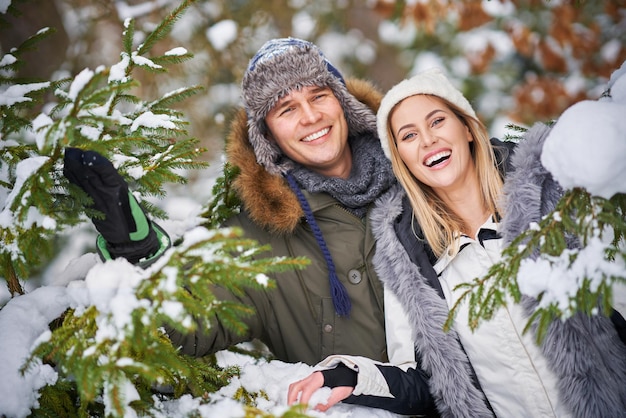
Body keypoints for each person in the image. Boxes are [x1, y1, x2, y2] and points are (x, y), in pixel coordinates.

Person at [287, 68, 626, 417]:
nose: (428, 140)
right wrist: (350, 376)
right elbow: (424, 380)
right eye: (408, 135)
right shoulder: (407, 257)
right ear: (401, 158)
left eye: (437, 121)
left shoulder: (555, 198)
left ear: (466, 127)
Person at [63, 38, 400, 366]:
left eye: (319, 96)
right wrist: (137, 251)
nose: (310, 116)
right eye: (287, 109)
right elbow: (182, 327)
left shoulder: (419, 180)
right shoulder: (253, 241)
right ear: (266, 136)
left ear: (343, 103)